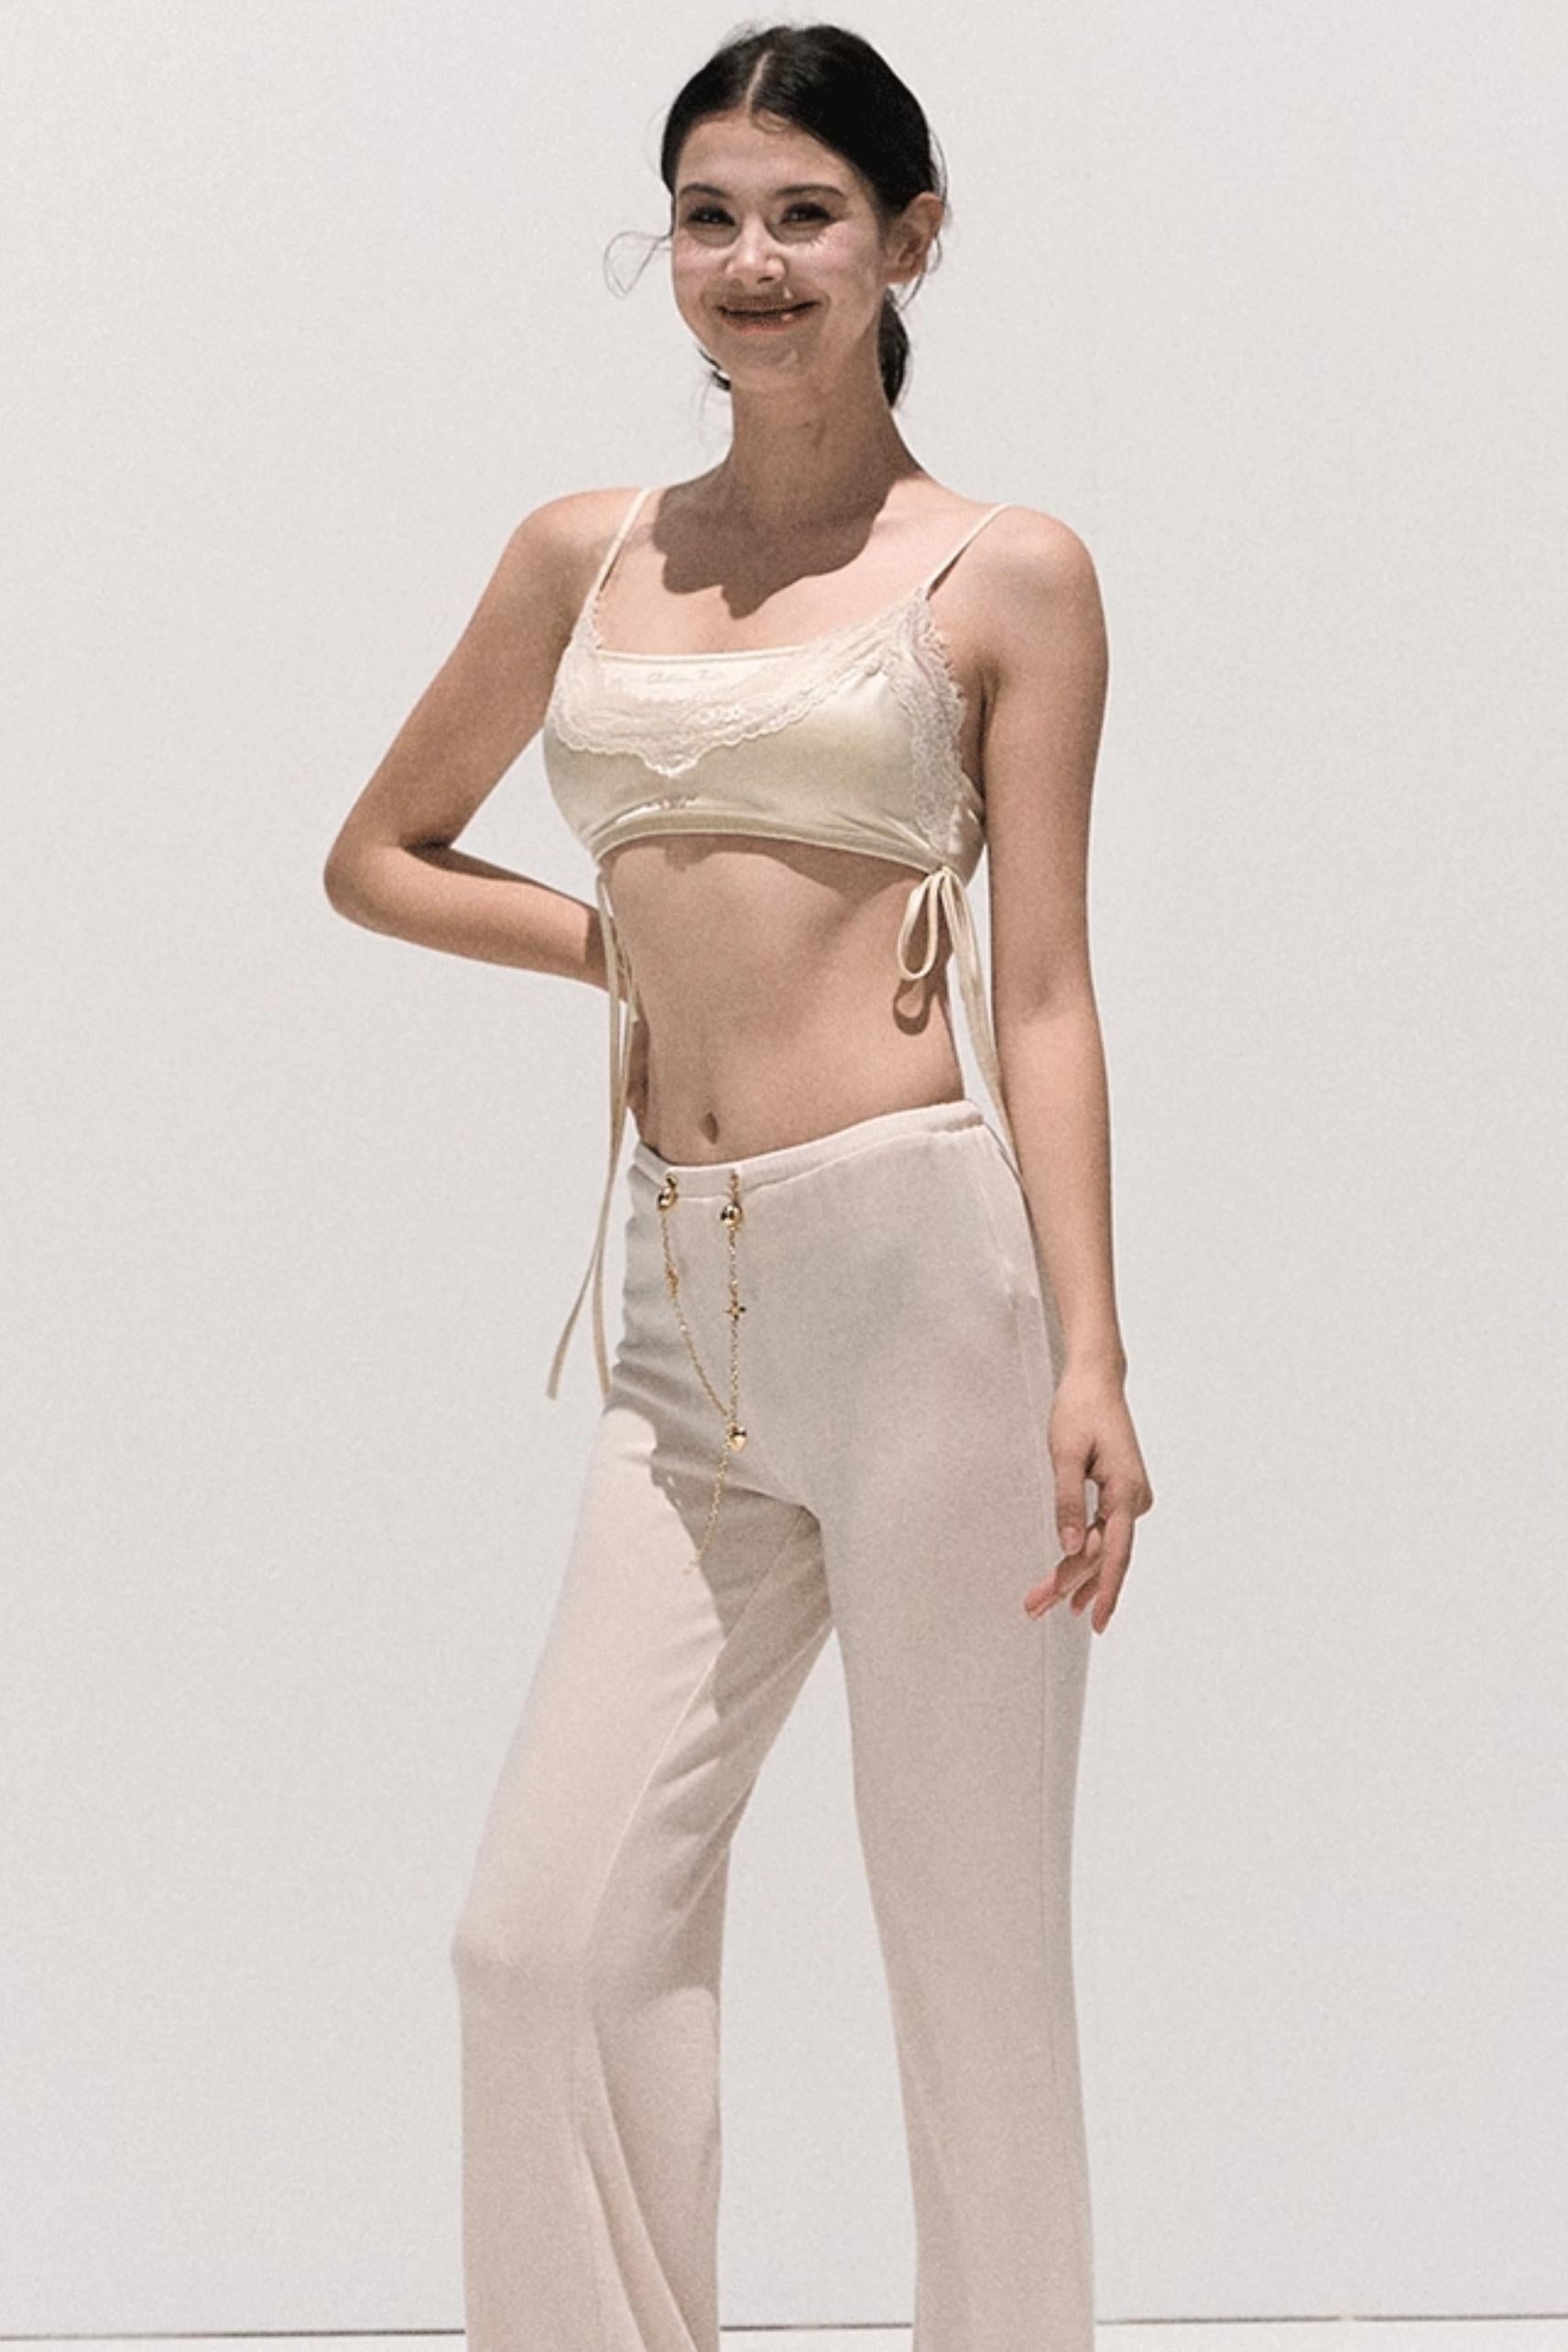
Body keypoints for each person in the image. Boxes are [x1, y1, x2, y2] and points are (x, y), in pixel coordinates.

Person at [323, 22, 1153, 2351]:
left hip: (926, 1295)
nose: (751, 261)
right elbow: (378, 854)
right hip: (679, 1306)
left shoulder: (1006, 572)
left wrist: (1091, 1354)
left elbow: (1045, 991)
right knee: (538, 1938)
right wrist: (623, 949)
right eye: (709, 216)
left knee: (968, 1955)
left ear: (909, 240)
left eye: (805, 214)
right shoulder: (582, 552)